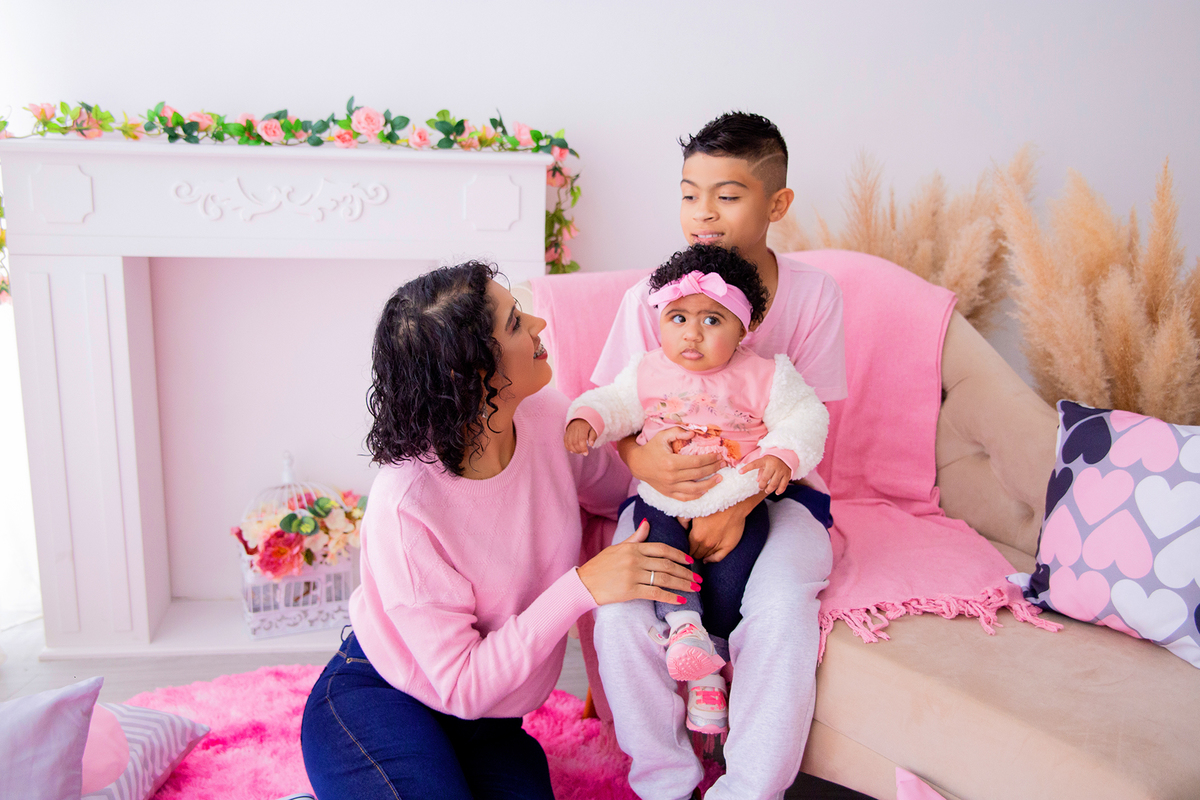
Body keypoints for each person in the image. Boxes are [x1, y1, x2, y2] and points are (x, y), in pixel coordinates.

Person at [300, 261, 700, 800]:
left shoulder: (546, 417)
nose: (538, 323)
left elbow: (621, 498)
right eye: (515, 323)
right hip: (381, 695)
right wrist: (582, 587)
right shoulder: (405, 505)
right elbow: (463, 683)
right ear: (473, 374)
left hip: (491, 724)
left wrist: (682, 476)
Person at [591, 112, 846, 799]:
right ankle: (665, 781)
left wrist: (740, 504)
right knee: (619, 611)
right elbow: (614, 404)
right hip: (665, 489)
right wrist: (642, 465)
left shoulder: (816, 294)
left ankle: (749, 787)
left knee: (784, 606)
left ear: (777, 204)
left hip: (777, 493)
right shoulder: (649, 297)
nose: (703, 213)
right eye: (688, 193)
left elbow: (811, 420)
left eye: (727, 195)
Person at [564, 244, 829, 736]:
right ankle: (686, 627)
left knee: (733, 579)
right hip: (664, 499)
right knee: (659, 553)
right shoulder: (646, 370)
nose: (691, 333)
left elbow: (807, 417)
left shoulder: (767, 375)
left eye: (712, 321)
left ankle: (709, 663)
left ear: (744, 328)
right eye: (678, 317)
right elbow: (615, 402)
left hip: (736, 501)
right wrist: (588, 418)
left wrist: (781, 455)